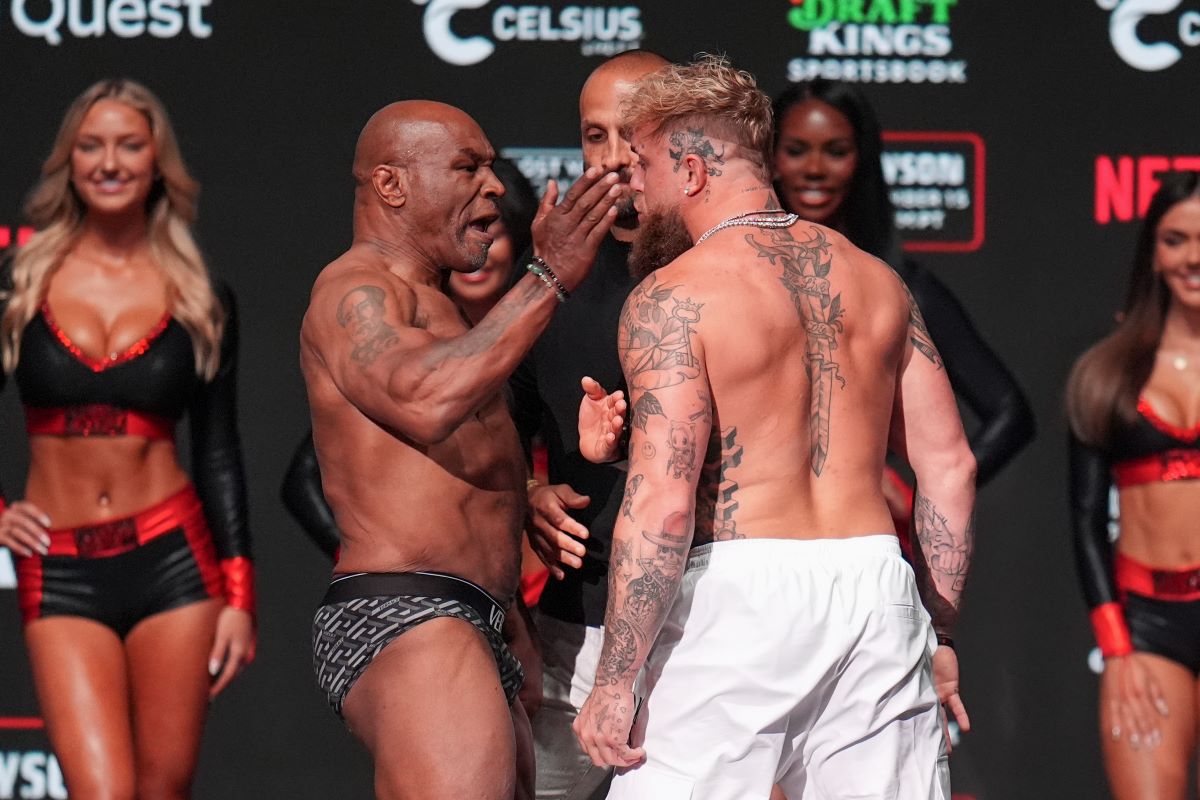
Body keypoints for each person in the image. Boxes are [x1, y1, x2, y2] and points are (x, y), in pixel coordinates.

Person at [572, 56, 975, 799]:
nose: (635, 186)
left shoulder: (676, 297)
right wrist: (938, 633)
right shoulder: (878, 280)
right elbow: (950, 466)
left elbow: (661, 501)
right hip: (876, 587)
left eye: (645, 167)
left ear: (691, 171)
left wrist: (615, 681)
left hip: (739, 596)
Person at [302, 99, 620, 800]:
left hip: (473, 616)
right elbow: (424, 401)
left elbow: (446, 471)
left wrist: (510, 607)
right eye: (467, 167)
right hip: (411, 610)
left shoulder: (442, 307)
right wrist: (548, 277)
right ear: (392, 185)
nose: (496, 186)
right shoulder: (354, 290)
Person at [0, 79, 255, 799]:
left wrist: (239, 593)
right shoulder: (20, 282)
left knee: (162, 789)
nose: (109, 162)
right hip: (59, 568)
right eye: (91, 145)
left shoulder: (200, 293)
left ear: (156, 162)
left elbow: (218, 451)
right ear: (69, 162)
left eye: (129, 145)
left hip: (173, 560)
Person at [507, 48, 668, 800]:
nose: (612, 159)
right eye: (593, 136)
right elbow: (493, 432)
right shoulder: (551, 281)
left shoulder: (730, 270)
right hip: (575, 631)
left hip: (698, 635)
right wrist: (531, 493)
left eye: (632, 134)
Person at [772, 80, 1033, 533]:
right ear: (769, 159)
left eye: (835, 152)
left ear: (861, 162)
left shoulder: (897, 285)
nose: (814, 168)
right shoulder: (733, 276)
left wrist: (917, 498)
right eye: (796, 151)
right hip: (754, 536)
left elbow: (1010, 412)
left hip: (860, 540)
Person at [281, 156, 540, 559]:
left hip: (530, 564)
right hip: (428, 578)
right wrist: (377, 565)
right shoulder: (409, 326)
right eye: (473, 228)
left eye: (495, 232)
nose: (485, 249)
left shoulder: (541, 333)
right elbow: (304, 476)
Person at [1067, 171, 1200, 800]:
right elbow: (1087, 520)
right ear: (1153, 249)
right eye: (1176, 240)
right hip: (1147, 633)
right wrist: (1116, 649)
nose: (1193, 257)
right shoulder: (1108, 372)